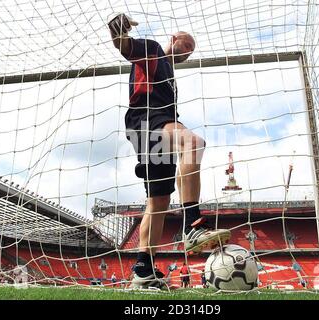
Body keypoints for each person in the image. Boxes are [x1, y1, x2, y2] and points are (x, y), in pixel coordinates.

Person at [108, 13, 231, 289]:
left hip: (155, 126)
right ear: (174, 39)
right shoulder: (151, 50)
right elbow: (124, 46)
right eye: (187, 45)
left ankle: (143, 271)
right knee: (193, 143)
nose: (188, 52)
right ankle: (193, 225)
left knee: (158, 200)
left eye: (191, 51)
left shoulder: (171, 76)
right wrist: (117, 28)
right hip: (147, 120)